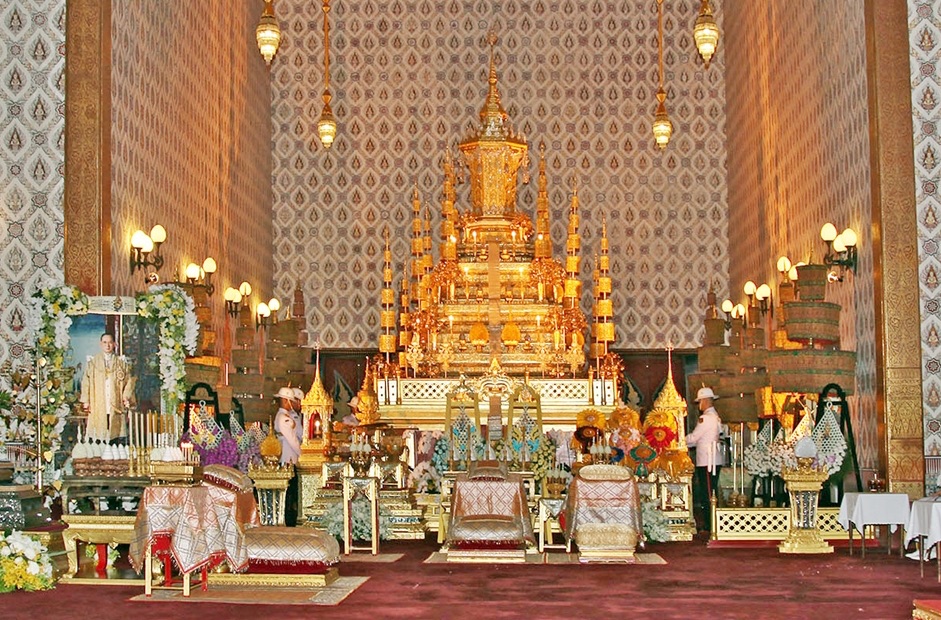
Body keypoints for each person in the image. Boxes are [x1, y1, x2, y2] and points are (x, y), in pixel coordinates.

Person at [80, 333, 135, 442]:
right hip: (98, 403)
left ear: (114, 344)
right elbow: (86, 382)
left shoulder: (121, 363)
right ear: (101, 344)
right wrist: (86, 401)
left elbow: (129, 381)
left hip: (115, 403)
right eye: (105, 342)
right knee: (99, 434)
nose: (107, 345)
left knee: (115, 434)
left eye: (110, 342)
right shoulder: (93, 362)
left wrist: (126, 397)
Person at [686, 386, 722, 535]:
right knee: (710, 491)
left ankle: (709, 524)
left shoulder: (706, 418)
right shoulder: (715, 417)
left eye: (700, 401)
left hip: (707, 460)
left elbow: (694, 438)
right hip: (712, 458)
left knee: (707, 493)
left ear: (705, 401)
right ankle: (710, 522)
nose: (699, 404)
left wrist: (679, 440)